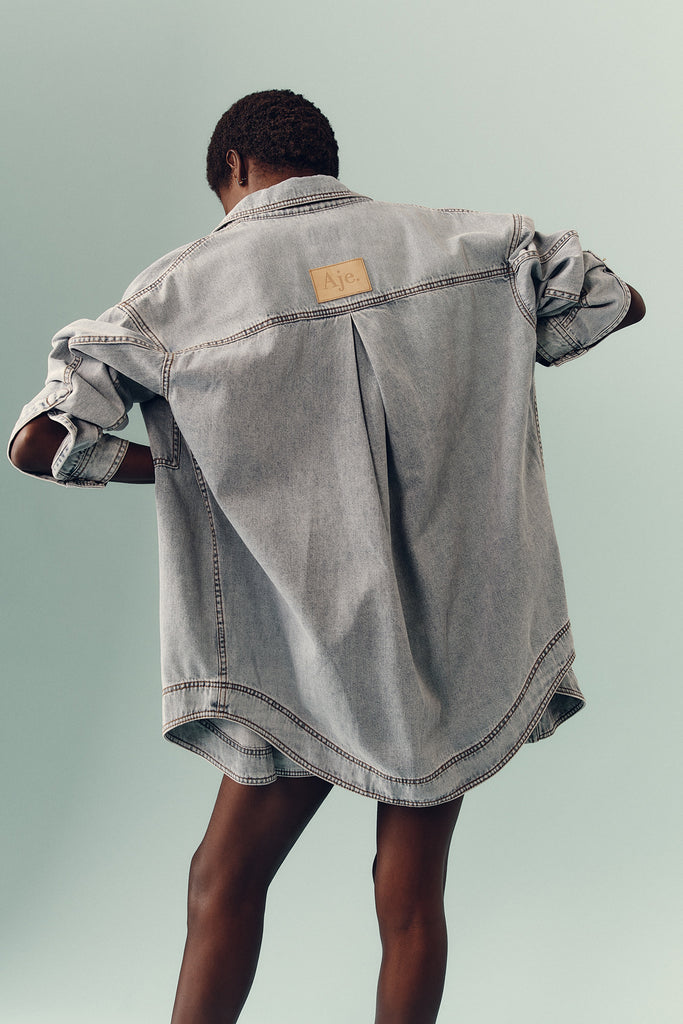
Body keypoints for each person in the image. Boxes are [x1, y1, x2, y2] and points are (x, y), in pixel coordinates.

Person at [8, 89, 646, 1024]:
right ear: (322, 161)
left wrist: (189, 466)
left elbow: (42, 443)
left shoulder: (178, 292)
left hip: (300, 645)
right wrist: (493, 362)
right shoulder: (471, 242)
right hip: (451, 636)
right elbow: (614, 302)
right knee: (411, 899)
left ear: (234, 169)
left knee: (222, 879)